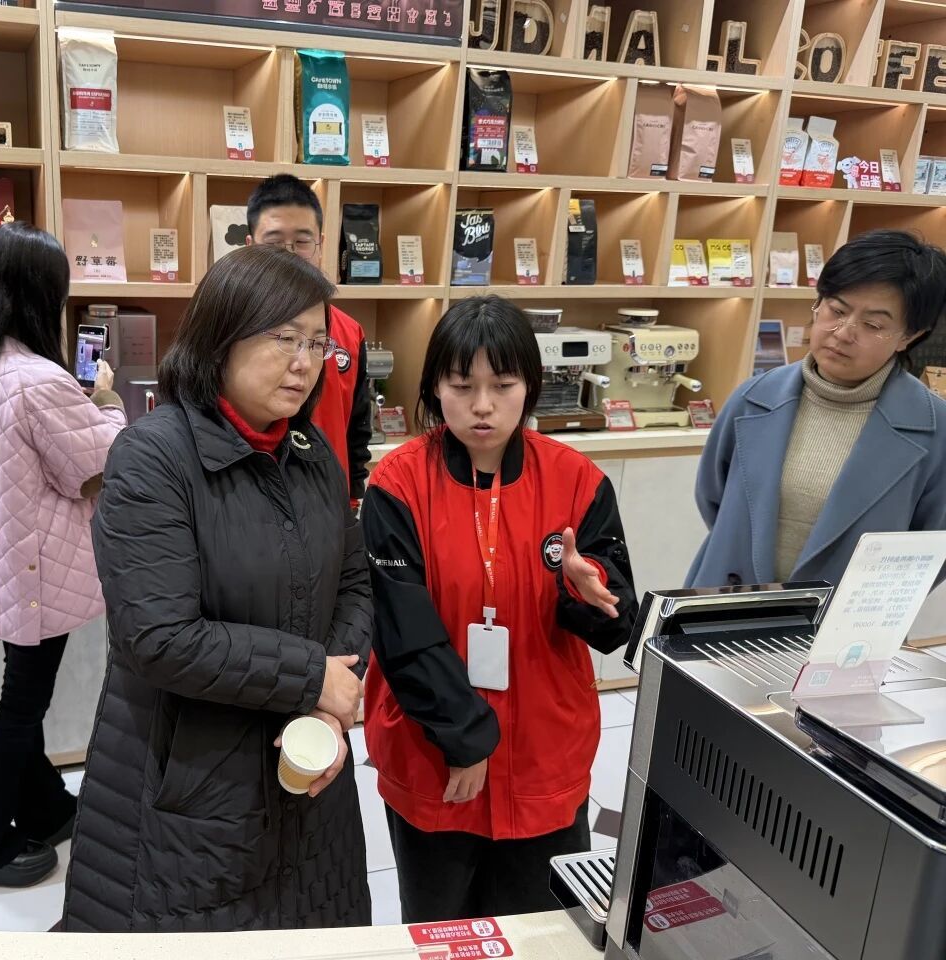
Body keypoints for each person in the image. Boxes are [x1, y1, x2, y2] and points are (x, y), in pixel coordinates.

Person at [63, 244, 372, 933]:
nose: (304, 361)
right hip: (192, 785)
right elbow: (159, 637)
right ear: (221, 337)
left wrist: (332, 702)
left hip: (308, 763)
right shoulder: (152, 456)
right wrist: (312, 678)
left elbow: (354, 583)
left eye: (317, 342)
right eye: (284, 337)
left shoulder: (313, 455)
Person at [361, 296, 638, 922]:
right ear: (435, 388)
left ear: (529, 387)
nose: (482, 405)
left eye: (502, 385)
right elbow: (403, 633)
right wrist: (466, 741)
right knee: (443, 930)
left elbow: (616, 620)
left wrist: (587, 590)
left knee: (539, 930)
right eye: (462, 386)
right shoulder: (397, 485)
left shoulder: (577, 480)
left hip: (543, 751)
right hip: (433, 752)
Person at [0, 222, 126, 889]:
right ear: (44, 295)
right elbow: (96, 470)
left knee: (20, 694)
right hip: (34, 569)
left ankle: (46, 808)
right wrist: (108, 401)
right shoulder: (40, 379)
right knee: (23, 704)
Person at [687, 229, 946, 589]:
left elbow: (930, 551)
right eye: (836, 310)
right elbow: (714, 498)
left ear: (909, 336)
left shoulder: (934, 429)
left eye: (872, 324)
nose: (843, 332)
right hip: (729, 601)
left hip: (846, 617)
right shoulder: (753, 397)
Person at [247, 173, 371, 507]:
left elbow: (357, 432)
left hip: (329, 504)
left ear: (321, 245)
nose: (289, 255)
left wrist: (351, 497)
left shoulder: (350, 333)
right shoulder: (232, 330)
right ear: (250, 246)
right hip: (250, 505)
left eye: (302, 242)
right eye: (274, 242)